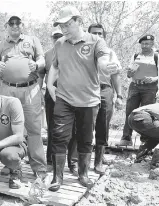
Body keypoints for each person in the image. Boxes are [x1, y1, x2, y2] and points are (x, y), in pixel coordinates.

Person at [47, 6, 119, 191]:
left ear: (79, 21)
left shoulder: (96, 41)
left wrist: (106, 67)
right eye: (61, 26)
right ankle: (57, 177)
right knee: (59, 137)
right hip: (64, 98)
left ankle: (83, 174)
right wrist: (49, 85)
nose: (63, 29)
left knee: (86, 138)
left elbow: (103, 61)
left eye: (68, 24)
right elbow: (55, 66)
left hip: (88, 100)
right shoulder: (60, 44)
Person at [0, 14, 47, 178]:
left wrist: (36, 65)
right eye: (11, 23)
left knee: (34, 128)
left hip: (30, 90)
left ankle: (39, 167)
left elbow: (42, 59)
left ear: (22, 25)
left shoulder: (33, 40)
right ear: (6, 26)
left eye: (18, 23)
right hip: (7, 90)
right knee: (8, 128)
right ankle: (12, 164)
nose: (15, 25)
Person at [66, 23, 123, 175]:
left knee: (102, 127)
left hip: (104, 90)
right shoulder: (79, 50)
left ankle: (98, 162)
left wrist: (120, 96)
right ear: (88, 35)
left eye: (100, 33)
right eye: (94, 33)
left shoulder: (110, 53)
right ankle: (73, 161)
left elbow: (116, 75)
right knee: (79, 127)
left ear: (104, 36)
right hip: (83, 91)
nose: (97, 36)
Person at [119, 34, 158, 146]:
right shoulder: (136, 55)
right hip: (135, 86)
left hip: (150, 88)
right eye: (143, 43)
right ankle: (126, 137)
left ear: (152, 44)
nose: (145, 46)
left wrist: (153, 79)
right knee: (130, 111)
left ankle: (145, 140)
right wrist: (130, 72)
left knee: (147, 114)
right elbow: (128, 75)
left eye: (148, 44)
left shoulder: (156, 56)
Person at [39, 29, 63, 165]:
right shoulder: (47, 54)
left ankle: (72, 161)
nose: (58, 38)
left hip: (69, 92)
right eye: (55, 36)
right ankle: (50, 159)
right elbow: (41, 75)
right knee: (52, 127)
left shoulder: (72, 51)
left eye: (60, 36)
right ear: (52, 38)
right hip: (50, 93)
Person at [128, 103, 159, 169]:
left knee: (155, 136)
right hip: (141, 117)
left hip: (132, 118)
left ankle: (140, 157)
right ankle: (156, 163)